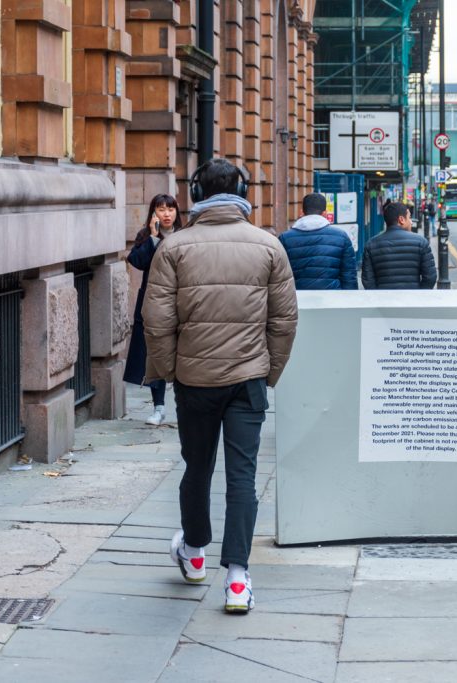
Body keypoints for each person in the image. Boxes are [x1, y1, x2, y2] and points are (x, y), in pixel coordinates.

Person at [143, 158, 298, 614]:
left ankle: (193, 553)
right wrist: (269, 371)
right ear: (242, 190)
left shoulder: (174, 248)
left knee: (197, 468)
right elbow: (285, 321)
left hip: (195, 380)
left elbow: (156, 321)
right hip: (248, 379)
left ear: (196, 193)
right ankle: (236, 579)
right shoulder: (268, 246)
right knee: (242, 476)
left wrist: (171, 370)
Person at [124, 194, 182, 426]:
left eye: (170, 209)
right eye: (161, 209)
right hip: (154, 304)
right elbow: (136, 261)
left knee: (183, 354)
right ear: (153, 213)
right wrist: (154, 237)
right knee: (155, 354)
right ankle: (159, 408)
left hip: (181, 302)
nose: (166, 214)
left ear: (177, 212)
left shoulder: (186, 235)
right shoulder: (147, 237)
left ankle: (183, 406)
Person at [279, 193, 357, 290]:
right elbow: (349, 276)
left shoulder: (285, 238)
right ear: (325, 213)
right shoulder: (341, 237)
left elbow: (280, 276)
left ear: (301, 212)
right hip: (333, 299)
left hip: (298, 299)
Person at [361, 202, 437, 289]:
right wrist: (418, 295)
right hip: (413, 299)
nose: (411, 222)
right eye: (409, 217)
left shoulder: (371, 244)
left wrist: (377, 298)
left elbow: (368, 280)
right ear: (401, 219)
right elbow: (430, 277)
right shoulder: (421, 242)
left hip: (383, 300)